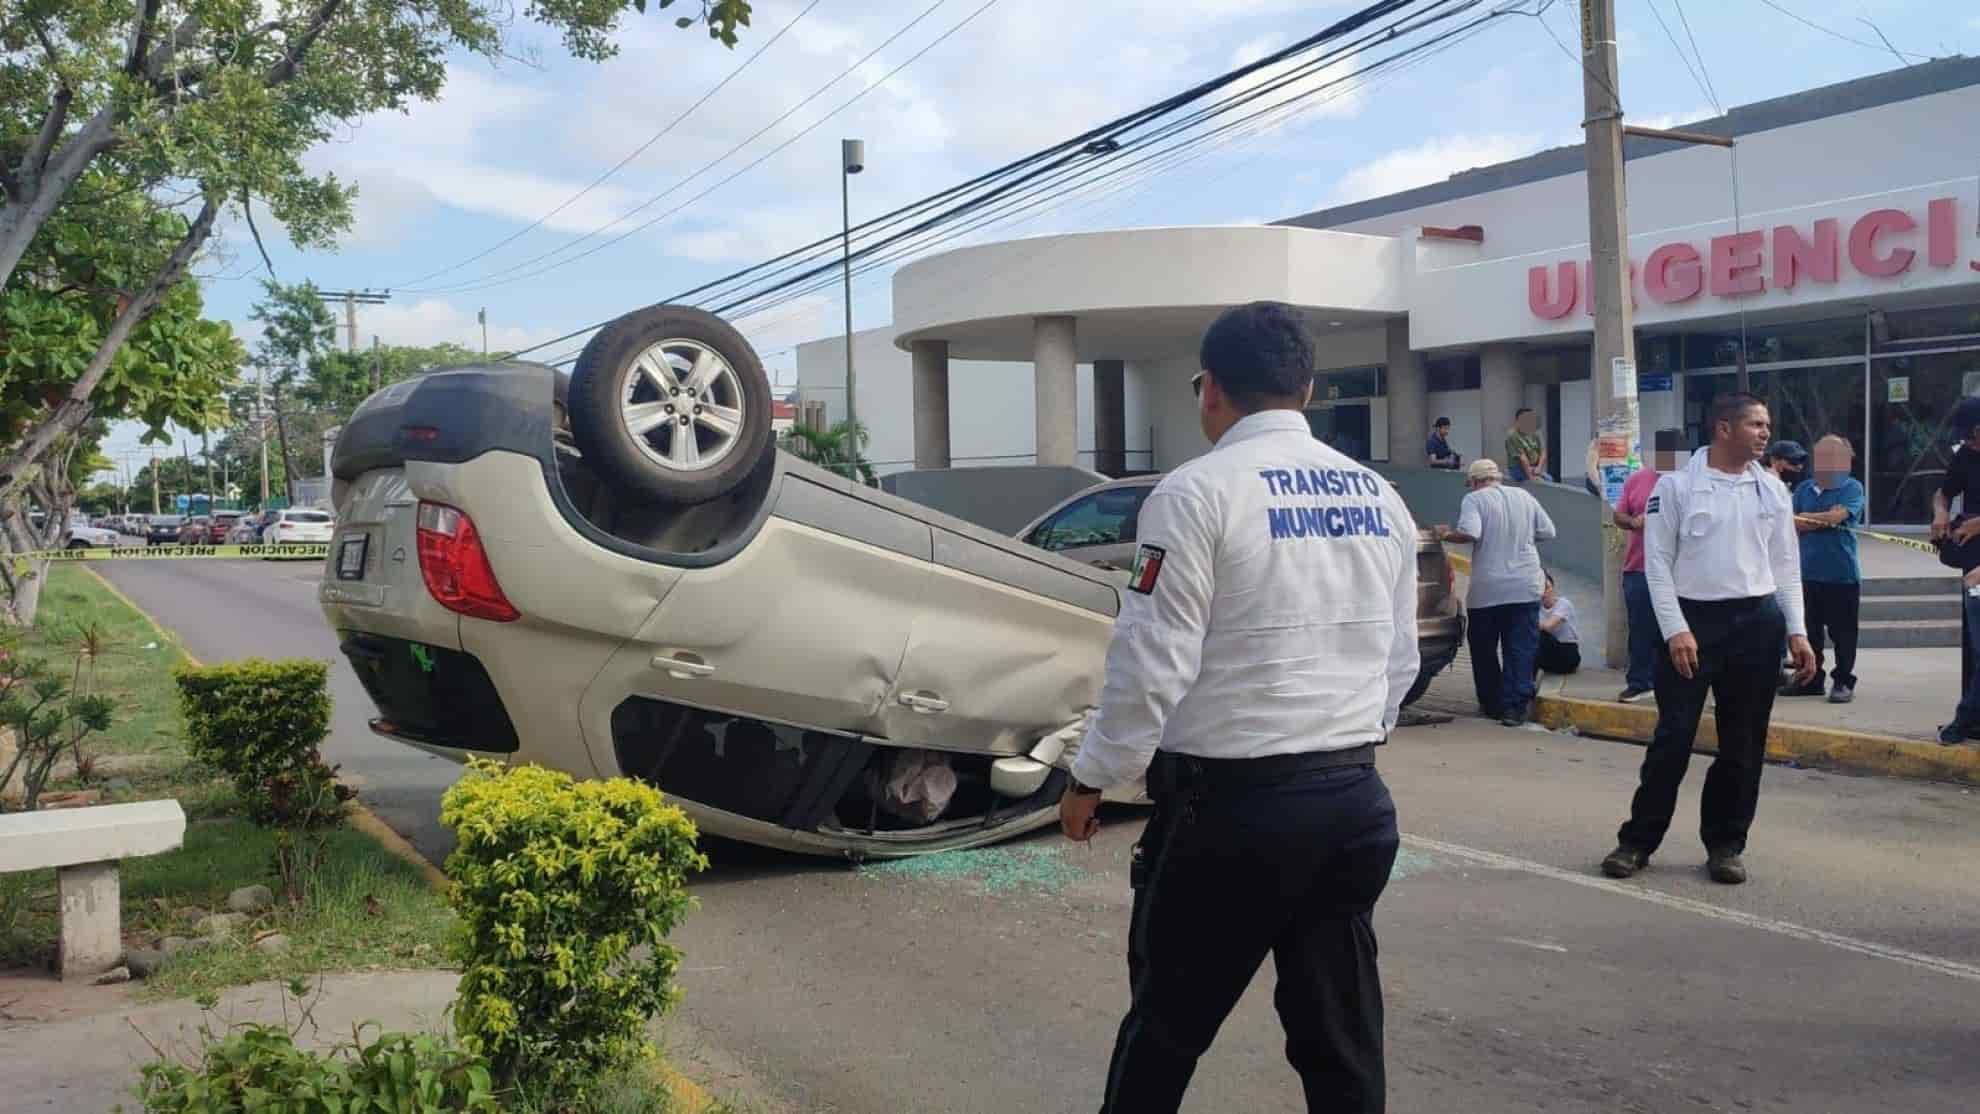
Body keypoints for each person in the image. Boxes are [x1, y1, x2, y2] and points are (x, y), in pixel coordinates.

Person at [1060, 301, 1419, 1114]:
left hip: (1233, 816)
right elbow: (1401, 657)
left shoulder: (1194, 494)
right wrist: (1348, 742)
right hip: (1352, 802)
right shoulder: (1378, 496)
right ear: (1309, 387)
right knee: (1341, 1040)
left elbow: (1152, 661)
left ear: (1210, 389)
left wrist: (1094, 779)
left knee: (1165, 1030)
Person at [1600, 393, 1815, 886]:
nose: (1765, 433)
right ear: (1723, 428)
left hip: (1757, 623)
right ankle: (1637, 841)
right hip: (1693, 621)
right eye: (1756, 424)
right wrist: (1676, 629)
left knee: (1743, 743)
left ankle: (1725, 844)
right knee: (1673, 738)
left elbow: (1785, 565)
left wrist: (1797, 630)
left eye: (1766, 424)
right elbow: (1656, 563)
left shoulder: (1772, 491)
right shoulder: (1675, 488)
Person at [1434, 458, 1555, 727]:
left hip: (1488, 590)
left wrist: (1445, 535)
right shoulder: (1524, 496)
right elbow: (1548, 531)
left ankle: (1492, 703)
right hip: (1526, 585)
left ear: (1475, 482)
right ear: (1497, 478)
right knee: (1520, 648)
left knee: (1484, 648)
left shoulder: (1474, 499)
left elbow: (1470, 533)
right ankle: (1515, 707)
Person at [1783, 434, 1864, 703]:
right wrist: (1825, 519)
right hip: (1806, 575)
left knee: (1843, 634)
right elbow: (1789, 523)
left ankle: (1842, 681)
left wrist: (1810, 520)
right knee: (1809, 632)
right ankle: (1811, 679)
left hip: (1842, 575)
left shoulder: (1853, 488)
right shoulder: (1804, 489)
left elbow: (1837, 518)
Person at [1930, 395, 1980, 743]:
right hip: (1973, 564)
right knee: (1974, 643)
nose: (1968, 443)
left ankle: (1965, 719)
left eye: (1972, 435)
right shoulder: (1966, 455)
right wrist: (1941, 513)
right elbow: (1943, 492)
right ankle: (1972, 716)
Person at [1613, 436, 1678, 702]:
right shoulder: (1638, 479)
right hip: (1638, 568)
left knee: (1677, 629)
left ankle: (1678, 683)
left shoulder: (1692, 483)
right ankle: (1640, 682)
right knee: (1640, 628)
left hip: (1680, 572)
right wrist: (1633, 521)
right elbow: (1619, 515)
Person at [1537, 572, 1582, 676]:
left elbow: (1549, 626)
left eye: (1547, 588)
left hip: (1567, 655)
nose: (1544, 593)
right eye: (1541, 589)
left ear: (1553, 588)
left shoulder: (1564, 604)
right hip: (1549, 655)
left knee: (1539, 635)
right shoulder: (1537, 607)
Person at [1505, 408, 1549, 484]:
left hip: (1534, 467)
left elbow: (1543, 452)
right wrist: (1531, 477)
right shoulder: (1512, 436)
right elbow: (1522, 458)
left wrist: (1539, 468)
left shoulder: (1536, 432)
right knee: (1539, 483)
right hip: (1518, 469)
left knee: (1549, 479)